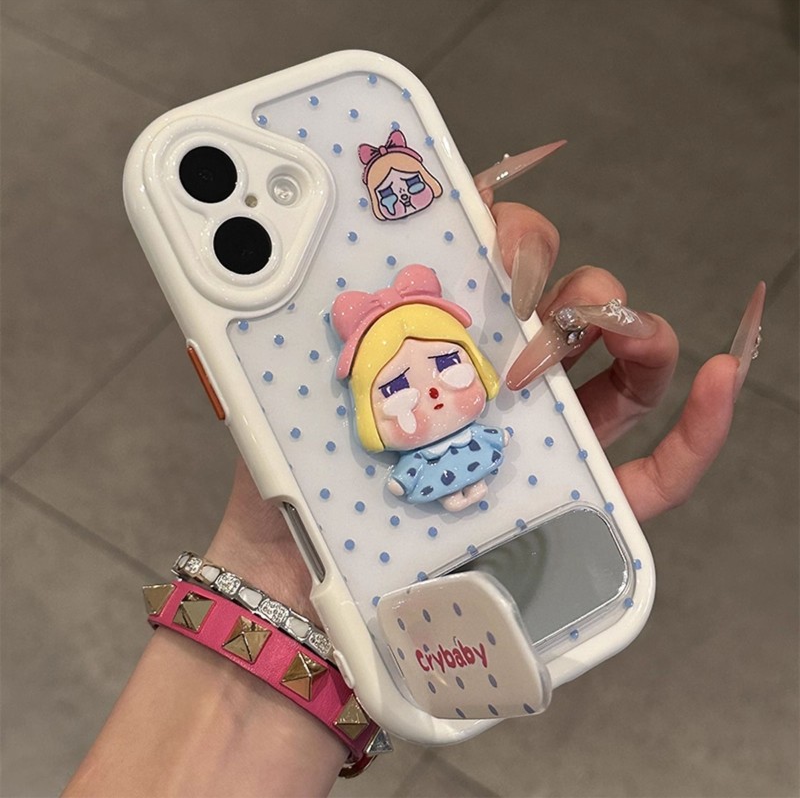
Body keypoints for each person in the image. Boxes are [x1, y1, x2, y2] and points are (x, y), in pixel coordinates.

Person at [63, 148, 762, 798]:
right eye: (394, 386)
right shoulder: (397, 455)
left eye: (447, 363)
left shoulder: (481, 423)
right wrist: (300, 593)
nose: (425, 390)